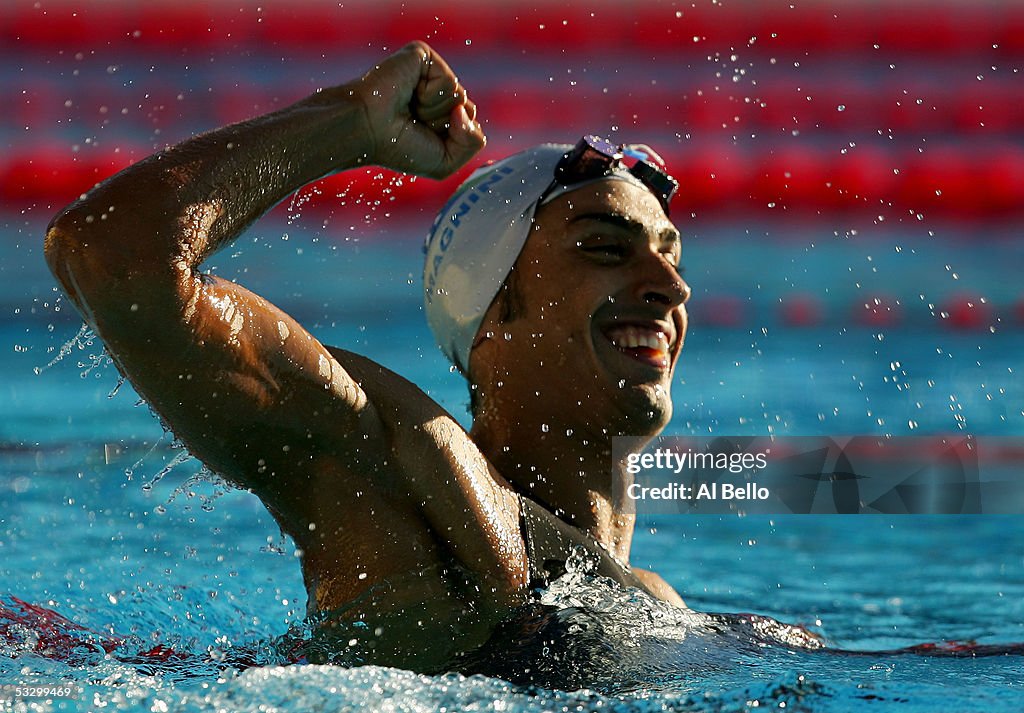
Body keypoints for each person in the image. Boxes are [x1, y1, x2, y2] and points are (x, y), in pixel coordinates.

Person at [43, 41, 691, 673]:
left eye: (672, 255)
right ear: (492, 315)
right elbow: (110, 253)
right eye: (606, 249)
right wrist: (351, 121)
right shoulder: (400, 485)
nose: (672, 287)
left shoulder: (654, 601)